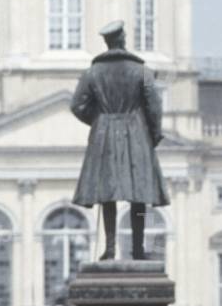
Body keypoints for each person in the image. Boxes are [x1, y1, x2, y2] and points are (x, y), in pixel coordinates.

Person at [70, 19, 169, 260]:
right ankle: (137, 248)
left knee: (107, 193)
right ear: (123, 39)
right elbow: (154, 106)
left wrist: (98, 119)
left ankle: (111, 248)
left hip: (104, 133)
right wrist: (154, 133)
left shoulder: (92, 72)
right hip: (137, 133)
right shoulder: (143, 72)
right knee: (139, 194)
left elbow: (77, 106)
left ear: (107, 43)